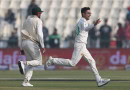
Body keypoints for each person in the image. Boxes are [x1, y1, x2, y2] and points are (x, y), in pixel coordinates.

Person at [45, 7, 110, 87]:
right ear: (83, 14)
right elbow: (86, 28)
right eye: (88, 13)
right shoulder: (83, 21)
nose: (90, 14)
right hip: (80, 45)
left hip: (82, 45)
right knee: (72, 63)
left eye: (90, 13)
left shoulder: (82, 21)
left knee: (92, 61)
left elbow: (84, 29)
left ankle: (99, 80)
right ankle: (52, 60)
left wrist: (93, 25)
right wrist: (94, 24)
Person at [18, 6, 45, 87]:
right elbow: (40, 34)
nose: (41, 14)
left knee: (31, 64)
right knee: (39, 62)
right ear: (38, 13)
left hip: (24, 43)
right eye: (40, 13)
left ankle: (25, 82)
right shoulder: (38, 20)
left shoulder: (26, 21)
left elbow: (22, 33)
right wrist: (42, 45)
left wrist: (21, 48)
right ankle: (23, 63)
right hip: (32, 43)